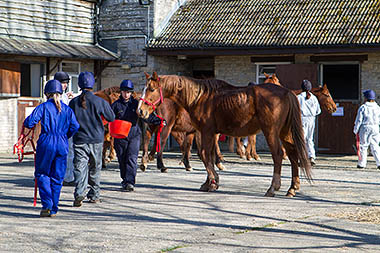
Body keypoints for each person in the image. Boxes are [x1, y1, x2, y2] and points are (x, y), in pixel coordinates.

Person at [23, 79, 79, 217]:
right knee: (57, 176)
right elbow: (75, 126)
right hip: (62, 143)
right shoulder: (67, 109)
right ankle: (54, 208)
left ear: (47, 93)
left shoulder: (43, 107)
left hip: (46, 142)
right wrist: (65, 135)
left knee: (42, 174)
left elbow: (30, 122)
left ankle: (47, 204)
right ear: (60, 93)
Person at [69, 71, 115, 207]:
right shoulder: (100, 101)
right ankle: (94, 194)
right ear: (92, 85)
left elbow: (69, 120)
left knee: (80, 167)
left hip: (79, 139)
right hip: (96, 139)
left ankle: (79, 193)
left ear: (79, 85)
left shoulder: (73, 102)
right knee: (95, 167)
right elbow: (111, 117)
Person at [111, 79, 162, 192]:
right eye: (124, 92)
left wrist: (158, 121)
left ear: (131, 93)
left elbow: (146, 116)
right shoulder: (115, 105)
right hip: (120, 136)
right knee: (122, 159)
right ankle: (124, 179)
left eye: (128, 92)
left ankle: (130, 182)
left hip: (134, 134)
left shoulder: (136, 104)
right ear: (121, 92)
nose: (126, 94)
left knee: (132, 158)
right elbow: (109, 118)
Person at [54, 71, 75, 185]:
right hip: (61, 130)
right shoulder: (57, 98)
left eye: (66, 83)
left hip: (62, 130)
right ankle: (66, 177)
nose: (65, 85)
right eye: (63, 83)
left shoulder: (63, 97)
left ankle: (68, 176)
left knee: (68, 153)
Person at [353, 89, 380, 169]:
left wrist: (355, 130)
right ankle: (379, 163)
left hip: (365, 127)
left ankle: (362, 164)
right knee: (375, 146)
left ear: (366, 98)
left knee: (363, 146)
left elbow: (359, 120)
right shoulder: (378, 107)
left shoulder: (363, 107)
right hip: (375, 127)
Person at [297, 80, 321, 166]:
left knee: (302, 139)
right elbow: (318, 111)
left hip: (302, 119)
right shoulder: (314, 98)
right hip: (312, 119)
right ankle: (312, 157)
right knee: (310, 139)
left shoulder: (299, 97)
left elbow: (296, 110)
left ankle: (303, 158)